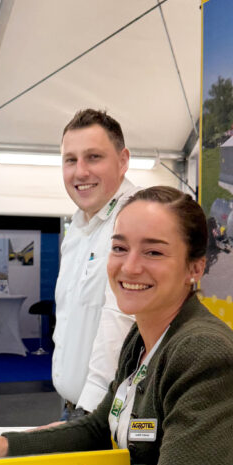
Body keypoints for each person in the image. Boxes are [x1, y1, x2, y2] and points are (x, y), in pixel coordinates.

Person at [0, 187, 233, 465]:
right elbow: (96, 429)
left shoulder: (202, 352)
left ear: (195, 268)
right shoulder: (140, 338)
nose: (130, 267)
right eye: (119, 248)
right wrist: (4, 445)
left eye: (153, 252)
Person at [53, 108, 140, 421]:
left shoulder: (135, 217)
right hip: (72, 407)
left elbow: (119, 322)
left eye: (93, 157)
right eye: (70, 160)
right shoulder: (78, 227)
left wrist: (88, 413)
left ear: (122, 160)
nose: (80, 172)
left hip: (103, 416)